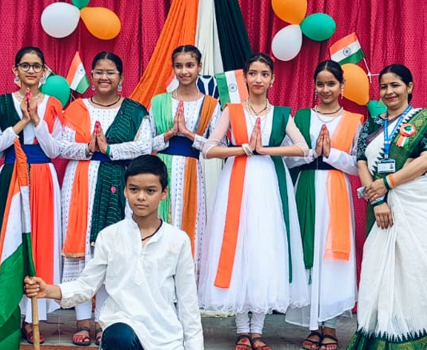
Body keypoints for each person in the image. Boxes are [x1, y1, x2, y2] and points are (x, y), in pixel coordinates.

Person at [25, 155, 204, 350]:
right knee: (118, 335)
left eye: (150, 191)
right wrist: (48, 290)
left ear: (164, 193)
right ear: (125, 190)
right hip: (121, 332)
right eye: (134, 189)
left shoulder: (178, 240)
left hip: (164, 338)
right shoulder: (109, 236)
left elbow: (188, 304)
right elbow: (86, 285)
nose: (141, 197)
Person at [198, 53, 309, 350]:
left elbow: (303, 148)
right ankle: (241, 330)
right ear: (245, 77)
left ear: (272, 79)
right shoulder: (231, 110)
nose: (258, 79)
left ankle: (257, 331)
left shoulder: (282, 114)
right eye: (253, 73)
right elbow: (209, 148)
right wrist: (242, 149)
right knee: (238, 246)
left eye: (264, 74)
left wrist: (267, 150)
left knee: (264, 248)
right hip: (237, 180)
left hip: (270, 184)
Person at [346, 64, 427, 350]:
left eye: (395, 85)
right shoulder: (371, 124)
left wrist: (387, 183)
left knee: (414, 265)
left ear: (409, 87)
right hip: (381, 204)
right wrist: (378, 199)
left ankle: (409, 337)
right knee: (378, 266)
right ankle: (376, 334)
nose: (389, 91)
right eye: (383, 86)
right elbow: (361, 163)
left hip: (418, 202)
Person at [59, 51, 151, 346]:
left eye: (110, 72)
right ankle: (82, 320)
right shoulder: (76, 108)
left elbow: (144, 147)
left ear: (121, 78)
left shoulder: (135, 111)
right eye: (99, 71)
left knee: (111, 251)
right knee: (81, 253)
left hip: (117, 183)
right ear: (91, 76)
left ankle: (104, 320)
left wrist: (110, 150)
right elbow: (59, 146)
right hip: (79, 184)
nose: (104, 77)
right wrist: (88, 148)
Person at [0, 46, 64, 344]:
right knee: (9, 239)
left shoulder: (53, 104)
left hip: (42, 176)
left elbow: (55, 149)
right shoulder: (2, 103)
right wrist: (21, 123)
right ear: (15, 70)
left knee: (39, 242)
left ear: (44, 71)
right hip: (11, 176)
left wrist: (37, 121)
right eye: (25, 65)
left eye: (36, 66)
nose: (30, 71)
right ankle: (9, 310)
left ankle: (32, 317)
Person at [284, 61, 363, 350]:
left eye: (331, 83)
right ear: (314, 86)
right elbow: (287, 157)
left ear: (342, 86)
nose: (326, 89)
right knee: (308, 252)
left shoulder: (354, 120)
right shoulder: (301, 117)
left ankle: (329, 325)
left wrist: (331, 154)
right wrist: (310, 154)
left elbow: (357, 165)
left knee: (332, 256)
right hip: (305, 186)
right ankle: (312, 325)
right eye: (320, 83)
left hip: (336, 189)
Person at [149, 45, 219, 285]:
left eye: (190, 65)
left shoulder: (211, 105)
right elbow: (146, 143)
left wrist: (190, 135)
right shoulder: (159, 102)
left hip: (192, 172)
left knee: (190, 225)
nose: (184, 71)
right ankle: (157, 285)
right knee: (160, 222)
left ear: (199, 67)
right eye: (179, 66)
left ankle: (186, 288)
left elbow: (216, 146)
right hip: (161, 170)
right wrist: (168, 134)